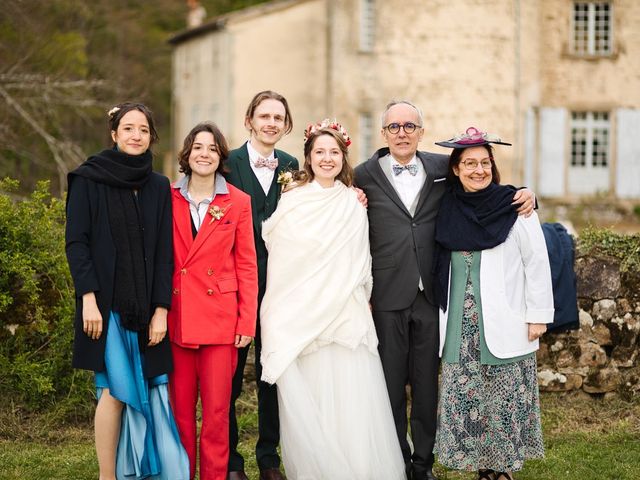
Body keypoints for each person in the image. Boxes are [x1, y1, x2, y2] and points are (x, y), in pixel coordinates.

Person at [353, 102, 535, 480]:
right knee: (388, 386)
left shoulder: (442, 167)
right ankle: (395, 462)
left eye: (410, 126)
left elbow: (486, 191)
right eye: (394, 126)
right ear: (383, 133)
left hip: (433, 296)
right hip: (386, 294)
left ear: (421, 131)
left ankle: (423, 465)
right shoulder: (362, 175)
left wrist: (528, 194)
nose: (402, 132)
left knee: (426, 386)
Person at [259, 120, 406, 480]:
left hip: (345, 312)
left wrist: (358, 294)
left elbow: (361, 260)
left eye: (334, 152)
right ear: (308, 157)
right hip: (305, 315)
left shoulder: (354, 202)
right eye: (319, 152)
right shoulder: (292, 200)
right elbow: (283, 259)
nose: (327, 159)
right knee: (315, 397)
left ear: (343, 157)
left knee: (351, 397)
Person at [65, 102, 189, 480]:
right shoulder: (88, 178)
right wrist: (88, 298)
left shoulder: (157, 185)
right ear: (114, 133)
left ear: (152, 137)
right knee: (115, 391)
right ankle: (108, 475)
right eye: (129, 128)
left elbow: (164, 252)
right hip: (105, 307)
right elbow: (76, 243)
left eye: (144, 130)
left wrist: (161, 310)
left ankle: (139, 467)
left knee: (150, 389)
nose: (136, 135)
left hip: (146, 308)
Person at [432, 128, 552, 480]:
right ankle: (482, 468)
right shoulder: (446, 207)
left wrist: (538, 317)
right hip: (459, 323)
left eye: (484, 163)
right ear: (456, 169)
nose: (478, 170)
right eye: (469, 163)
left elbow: (537, 262)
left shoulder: (516, 206)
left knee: (504, 398)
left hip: (506, 318)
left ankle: (503, 469)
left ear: (493, 166)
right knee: (471, 397)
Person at [168, 122, 258, 480]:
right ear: (187, 154)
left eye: (212, 148)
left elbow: (247, 265)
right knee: (180, 412)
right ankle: (181, 473)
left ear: (221, 156)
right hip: (178, 317)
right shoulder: (168, 197)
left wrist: (246, 321)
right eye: (197, 147)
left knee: (218, 412)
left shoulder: (237, 201)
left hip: (222, 321)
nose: (204, 154)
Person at [224, 90, 298, 480]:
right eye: (264, 115)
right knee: (230, 377)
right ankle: (231, 462)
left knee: (273, 374)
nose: (271, 123)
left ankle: (269, 458)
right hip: (236, 287)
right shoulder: (227, 163)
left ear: (285, 125)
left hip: (281, 287)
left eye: (278, 117)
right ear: (249, 120)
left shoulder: (291, 165)